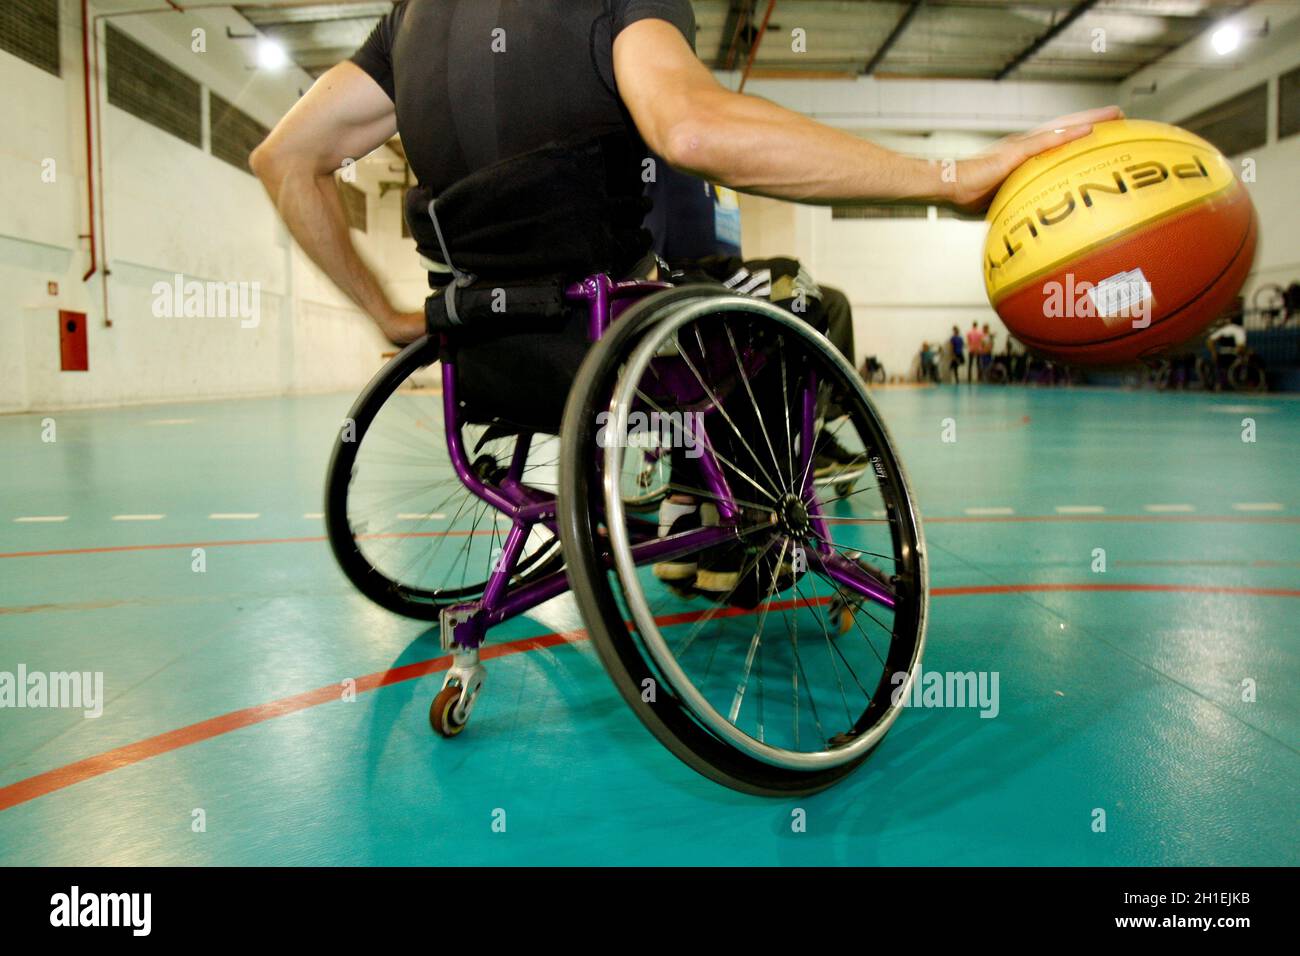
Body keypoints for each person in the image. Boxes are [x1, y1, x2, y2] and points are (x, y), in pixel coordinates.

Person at [249, 0, 1119, 592]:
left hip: (488, 353)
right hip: (607, 341)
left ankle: (692, 501)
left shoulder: (410, 17)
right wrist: (952, 175)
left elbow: (282, 159)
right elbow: (693, 128)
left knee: (701, 301)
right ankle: (750, 526)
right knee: (806, 310)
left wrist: (391, 315)